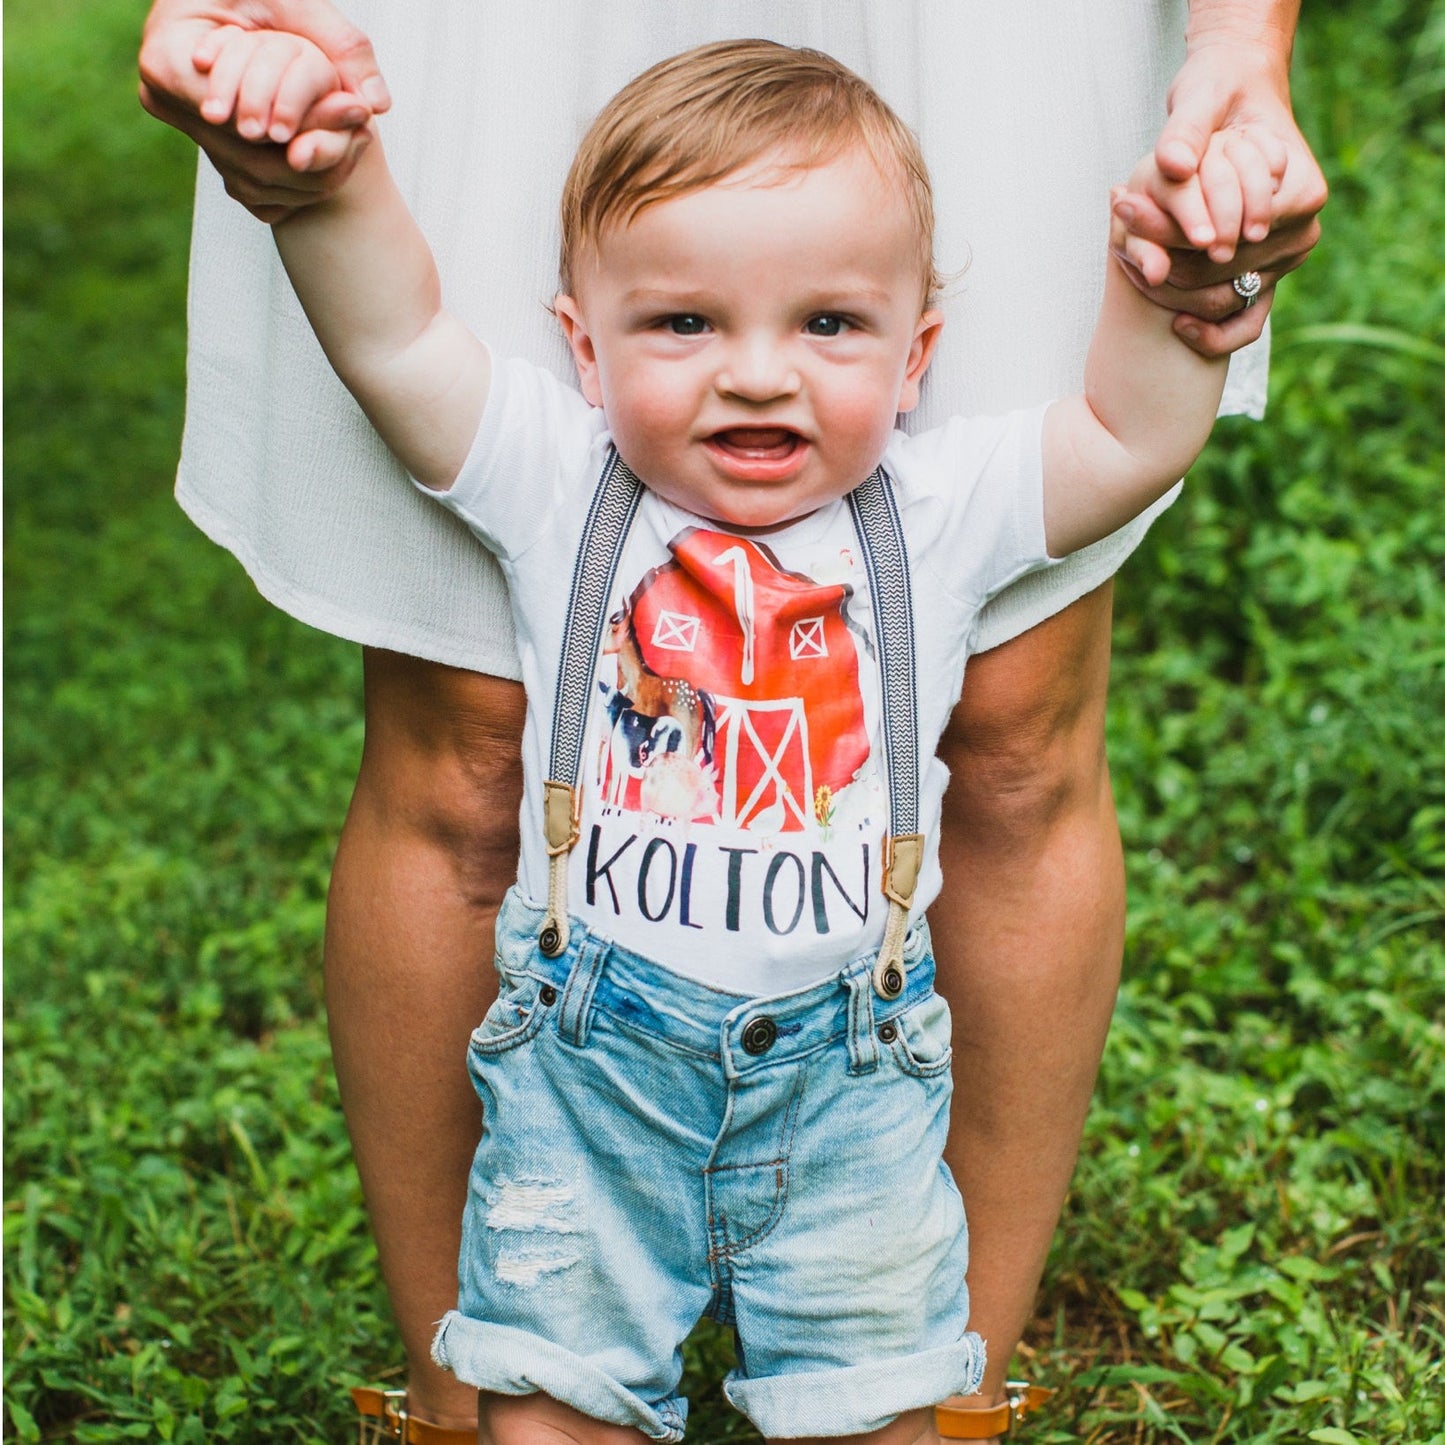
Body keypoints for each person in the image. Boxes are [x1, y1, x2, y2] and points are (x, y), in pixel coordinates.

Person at [137, 3, 1326, 1438]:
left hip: (854, 1103)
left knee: (872, 1399)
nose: (755, 370)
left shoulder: (936, 514)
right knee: (548, 1401)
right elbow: (392, 338)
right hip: (586, 1099)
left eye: (827, 324)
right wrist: (327, 182)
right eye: (682, 324)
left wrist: (1176, 291)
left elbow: (1130, 437)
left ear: (919, 350)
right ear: (582, 345)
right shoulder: (548, 482)